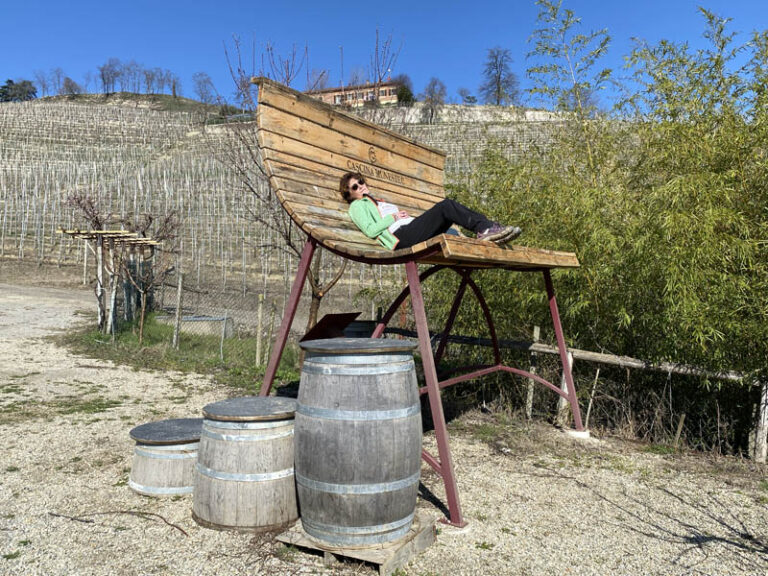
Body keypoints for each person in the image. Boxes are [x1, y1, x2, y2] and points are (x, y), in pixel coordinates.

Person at [339, 172, 522, 250]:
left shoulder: (375, 201)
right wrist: (393, 217)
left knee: (448, 216)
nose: (361, 186)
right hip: (401, 237)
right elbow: (370, 230)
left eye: (361, 181)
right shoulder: (356, 207)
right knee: (445, 206)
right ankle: (486, 229)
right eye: (355, 186)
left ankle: (488, 229)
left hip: (409, 229)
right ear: (349, 193)